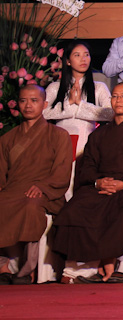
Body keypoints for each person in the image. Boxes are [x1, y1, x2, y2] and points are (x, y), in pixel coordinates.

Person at [48, 83, 123, 284]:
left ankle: (114, 263)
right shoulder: (98, 135)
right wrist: (98, 182)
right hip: (100, 187)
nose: (118, 100)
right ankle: (79, 269)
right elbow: (87, 167)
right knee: (74, 209)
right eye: (115, 96)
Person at [0, 86, 72, 285]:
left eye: (34, 100)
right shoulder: (7, 139)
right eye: (23, 101)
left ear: (44, 104)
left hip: (45, 192)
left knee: (31, 206)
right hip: (13, 190)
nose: (28, 105)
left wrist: (43, 187)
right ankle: (3, 266)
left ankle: (27, 269)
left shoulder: (59, 135)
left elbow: (62, 171)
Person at [42, 40, 112, 153]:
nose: (83, 59)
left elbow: (110, 113)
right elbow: (41, 113)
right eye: (77, 55)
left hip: (88, 145)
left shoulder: (99, 87)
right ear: (68, 61)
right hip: (59, 144)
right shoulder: (54, 87)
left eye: (86, 55)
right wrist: (69, 102)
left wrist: (81, 104)